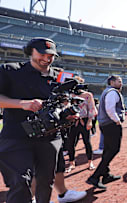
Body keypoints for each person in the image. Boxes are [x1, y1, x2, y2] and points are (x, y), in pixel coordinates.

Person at [0, 37, 66, 202]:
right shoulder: (10, 70)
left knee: (46, 181)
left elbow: (64, 102)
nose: (46, 59)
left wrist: (68, 111)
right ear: (30, 52)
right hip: (16, 136)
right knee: (21, 182)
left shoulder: (59, 76)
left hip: (50, 137)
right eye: (42, 54)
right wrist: (23, 104)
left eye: (51, 55)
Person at [87, 75, 124, 190]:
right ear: (112, 82)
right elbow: (110, 109)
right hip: (111, 125)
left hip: (106, 124)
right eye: (119, 81)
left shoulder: (107, 91)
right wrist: (117, 121)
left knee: (108, 149)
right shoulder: (112, 92)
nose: (121, 83)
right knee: (113, 149)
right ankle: (95, 176)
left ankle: (106, 175)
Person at [66, 89, 97, 172]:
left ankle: (90, 162)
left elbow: (91, 108)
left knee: (87, 142)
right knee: (71, 142)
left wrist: (90, 121)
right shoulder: (69, 94)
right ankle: (71, 163)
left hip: (84, 121)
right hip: (72, 122)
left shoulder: (88, 95)